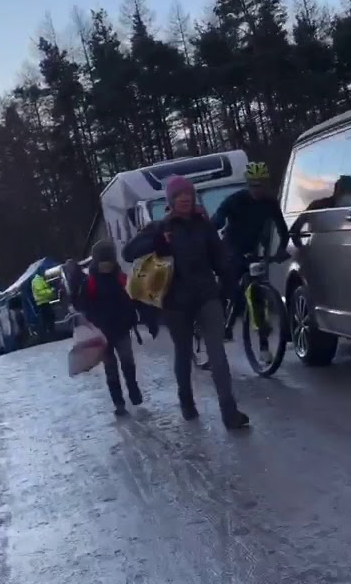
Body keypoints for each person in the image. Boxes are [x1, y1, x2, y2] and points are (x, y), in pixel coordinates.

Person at [124, 174, 250, 430]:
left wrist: (230, 287)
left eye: (188, 195)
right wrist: (159, 242)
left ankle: (229, 411)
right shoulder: (160, 227)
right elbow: (128, 253)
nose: (184, 199)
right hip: (175, 303)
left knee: (217, 354)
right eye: (179, 196)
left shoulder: (204, 226)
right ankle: (186, 400)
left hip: (206, 295)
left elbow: (219, 257)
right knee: (183, 353)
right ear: (170, 200)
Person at [211, 161, 290, 356]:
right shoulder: (235, 200)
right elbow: (217, 220)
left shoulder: (270, 204)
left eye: (261, 184)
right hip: (231, 246)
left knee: (255, 294)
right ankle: (220, 323)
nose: (258, 189)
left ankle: (263, 345)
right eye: (254, 185)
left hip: (252, 249)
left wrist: (280, 250)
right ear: (248, 184)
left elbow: (282, 229)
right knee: (229, 283)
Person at [76, 240, 143, 415]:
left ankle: (124, 397)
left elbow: (83, 306)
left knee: (119, 365)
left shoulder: (108, 278)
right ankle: (125, 397)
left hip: (112, 330)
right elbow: (85, 306)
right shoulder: (104, 279)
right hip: (110, 331)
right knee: (119, 365)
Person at [289, 175, 351, 250]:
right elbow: (294, 230)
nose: (348, 195)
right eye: (344, 190)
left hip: (338, 254)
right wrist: (302, 250)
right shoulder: (318, 205)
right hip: (316, 251)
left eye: (350, 192)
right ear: (337, 188)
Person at [31, 271, 56, 339]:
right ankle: (49, 335)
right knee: (48, 319)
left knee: (48, 319)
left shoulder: (40, 279)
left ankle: (49, 334)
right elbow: (40, 292)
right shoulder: (37, 280)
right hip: (42, 303)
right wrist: (51, 291)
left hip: (44, 302)